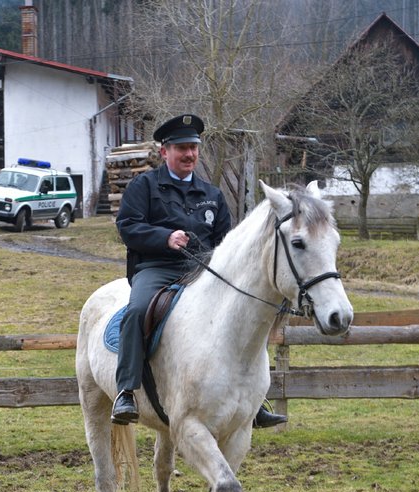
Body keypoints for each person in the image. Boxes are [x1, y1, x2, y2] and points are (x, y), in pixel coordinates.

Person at [111, 114, 287, 429]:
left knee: (243, 312)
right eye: (181, 148)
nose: (189, 154)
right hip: (157, 268)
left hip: (204, 271)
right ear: (164, 152)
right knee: (137, 310)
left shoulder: (213, 195)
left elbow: (226, 242)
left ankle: (253, 399)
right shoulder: (144, 186)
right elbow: (127, 227)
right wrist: (164, 238)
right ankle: (126, 390)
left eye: (193, 147)